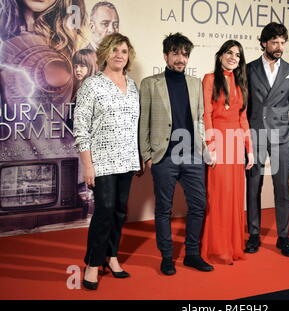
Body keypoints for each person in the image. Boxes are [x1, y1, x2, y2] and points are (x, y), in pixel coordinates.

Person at [139, 33, 213, 275]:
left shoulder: (195, 83)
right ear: (166, 56)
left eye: (184, 54)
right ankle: (167, 257)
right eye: (176, 53)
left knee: (199, 205)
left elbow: (200, 118)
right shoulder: (150, 83)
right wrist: (147, 155)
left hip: (192, 155)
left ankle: (192, 254)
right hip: (165, 156)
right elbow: (144, 122)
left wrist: (203, 148)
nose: (181, 59)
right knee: (163, 209)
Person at [73, 33, 140, 290]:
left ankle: (111, 256)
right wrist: (87, 165)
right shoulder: (92, 84)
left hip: (127, 159)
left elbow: (134, 125)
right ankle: (92, 262)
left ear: (128, 56)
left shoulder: (132, 85)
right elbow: (81, 127)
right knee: (104, 210)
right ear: (105, 54)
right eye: (114, 50)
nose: (119, 55)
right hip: (101, 161)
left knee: (120, 211)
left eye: (123, 51)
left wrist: (139, 157)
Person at [245, 22, 289, 257]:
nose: (279, 47)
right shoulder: (248, 69)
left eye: (282, 43)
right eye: (275, 42)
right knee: (253, 186)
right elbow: (244, 106)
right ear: (264, 43)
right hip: (255, 134)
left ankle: (283, 237)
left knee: (282, 188)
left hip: (281, 137)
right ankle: (254, 235)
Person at [201, 40, 254, 265]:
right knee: (218, 195)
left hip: (235, 146)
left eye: (238, 55)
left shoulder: (241, 83)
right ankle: (217, 248)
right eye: (229, 53)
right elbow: (207, 114)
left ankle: (232, 246)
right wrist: (210, 147)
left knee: (234, 197)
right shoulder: (210, 79)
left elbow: (243, 118)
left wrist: (249, 150)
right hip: (219, 143)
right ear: (220, 54)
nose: (233, 57)